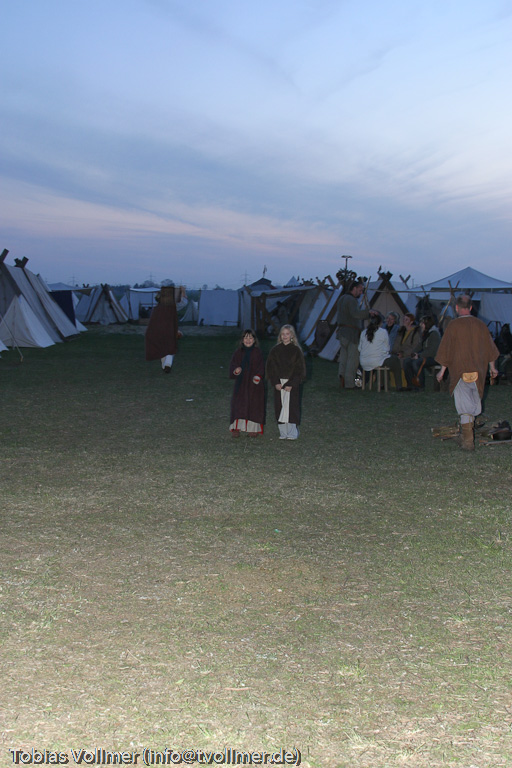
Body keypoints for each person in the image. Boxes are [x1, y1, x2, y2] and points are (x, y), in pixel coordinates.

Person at [435, 295, 499, 450]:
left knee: (464, 407)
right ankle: (467, 435)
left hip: (460, 371)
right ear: (470, 307)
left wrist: (442, 371)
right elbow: (490, 348)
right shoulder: (481, 325)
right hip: (479, 372)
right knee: (473, 404)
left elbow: (446, 349)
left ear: (457, 308)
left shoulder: (453, 325)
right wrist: (493, 368)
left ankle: (468, 442)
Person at [265, 324, 306, 440]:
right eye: (283, 334)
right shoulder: (275, 350)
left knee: (291, 408)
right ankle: (283, 432)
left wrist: (292, 384)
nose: (285, 336)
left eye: (287, 334)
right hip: (279, 383)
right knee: (280, 407)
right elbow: (271, 368)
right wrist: (275, 382)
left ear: (292, 335)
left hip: (291, 384)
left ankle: (292, 432)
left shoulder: (296, 351)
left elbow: (299, 370)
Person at [229, 329, 265, 438]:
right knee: (239, 405)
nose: (248, 340)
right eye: (246, 338)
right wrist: (236, 370)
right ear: (242, 340)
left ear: (254, 340)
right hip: (241, 384)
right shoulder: (238, 352)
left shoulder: (257, 352)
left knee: (253, 405)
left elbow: (261, 367)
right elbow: (233, 365)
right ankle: (236, 427)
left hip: (254, 384)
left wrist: (258, 376)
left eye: (250, 338)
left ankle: (252, 428)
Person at [336, 281, 370, 388]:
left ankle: (342, 376)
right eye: (360, 290)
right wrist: (369, 312)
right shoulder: (351, 300)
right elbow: (355, 314)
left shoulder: (342, 298)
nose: (361, 293)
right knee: (352, 359)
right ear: (354, 288)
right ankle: (349, 383)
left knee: (344, 357)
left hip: (343, 332)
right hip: (351, 333)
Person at [145, 285, 187, 373]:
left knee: (163, 348)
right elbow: (184, 302)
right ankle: (167, 365)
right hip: (168, 331)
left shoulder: (157, 308)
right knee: (170, 348)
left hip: (156, 331)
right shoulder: (173, 306)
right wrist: (183, 291)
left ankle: (165, 365)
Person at [403, 315, 441, 391]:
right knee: (407, 361)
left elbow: (432, 351)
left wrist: (419, 355)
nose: (420, 325)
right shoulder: (425, 333)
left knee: (417, 362)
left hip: (434, 358)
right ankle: (411, 385)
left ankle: (420, 386)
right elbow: (419, 345)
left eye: (422, 323)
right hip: (426, 356)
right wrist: (413, 353)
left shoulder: (434, 334)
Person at [385, 313, 422, 389]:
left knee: (403, 362)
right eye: (404, 319)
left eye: (406, 320)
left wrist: (403, 354)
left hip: (409, 355)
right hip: (399, 354)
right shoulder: (401, 331)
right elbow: (396, 344)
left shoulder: (415, 333)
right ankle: (391, 383)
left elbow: (414, 347)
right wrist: (394, 352)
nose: (404, 321)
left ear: (411, 322)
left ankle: (406, 384)